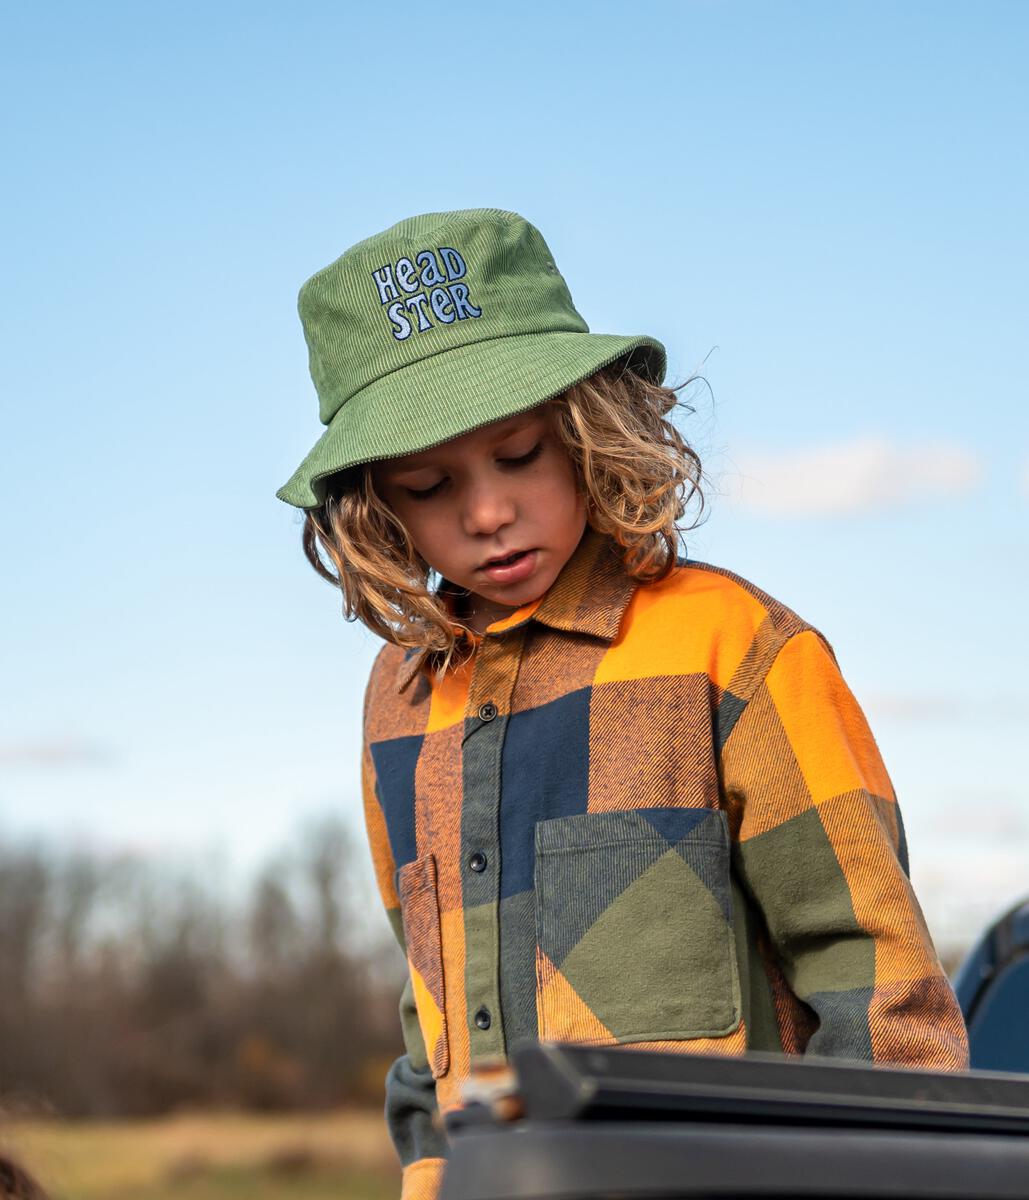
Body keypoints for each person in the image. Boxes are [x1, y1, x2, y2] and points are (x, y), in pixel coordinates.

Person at [276, 209, 969, 1200]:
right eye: (431, 484)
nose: (486, 512)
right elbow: (429, 1008)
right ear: (374, 503)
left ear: (588, 428)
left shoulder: (737, 651)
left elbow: (878, 986)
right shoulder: (398, 700)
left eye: (518, 456)